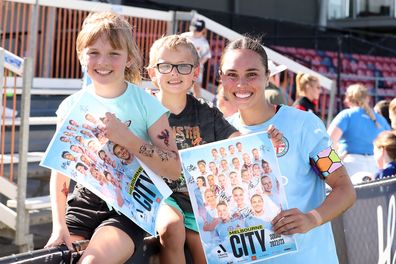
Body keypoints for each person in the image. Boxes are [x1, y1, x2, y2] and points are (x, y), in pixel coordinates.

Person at [44, 12, 181, 264]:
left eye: (113, 54)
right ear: (81, 55)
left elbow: (173, 168)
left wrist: (127, 139)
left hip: (129, 204)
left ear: (129, 59)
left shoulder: (145, 104)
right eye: (93, 52)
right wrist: (58, 225)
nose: (102, 61)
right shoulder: (70, 106)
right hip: (84, 200)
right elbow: (59, 168)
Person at [146, 34, 282, 264]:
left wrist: (265, 145)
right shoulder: (143, 109)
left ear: (195, 73)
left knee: (210, 248)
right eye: (166, 66)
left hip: (198, 203)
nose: (174, 73)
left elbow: (238, 142)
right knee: (172, 228)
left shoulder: (206, 114)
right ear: (152, 73)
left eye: (183, 66)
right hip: (159, 196)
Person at [220, 36, 356, 263]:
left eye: (251, 74)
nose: (241, 84)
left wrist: (312, 218)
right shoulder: (222, 133)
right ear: (221, 78)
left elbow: (345, 189)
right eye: (232, 75)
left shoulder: (305, 125)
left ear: (267, 77)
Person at [328, 84, 391, 177]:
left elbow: (328, 141)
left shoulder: (346, 115)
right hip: (375, 166)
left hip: (351, 164)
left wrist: (333, 166)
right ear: (367, 99)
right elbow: (391, 144)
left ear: (348, 99)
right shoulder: (380, 119)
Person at [181, 18, 211, 98]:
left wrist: (198, 63)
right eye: (194, 30)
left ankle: (198, 101)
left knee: (196, 84)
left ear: (203, 31)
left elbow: (206, 56)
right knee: (182, 82)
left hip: (196, 65)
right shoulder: (184, 36)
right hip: (182, 63)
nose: (195, 32)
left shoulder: (203, 42)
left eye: (198, 30)